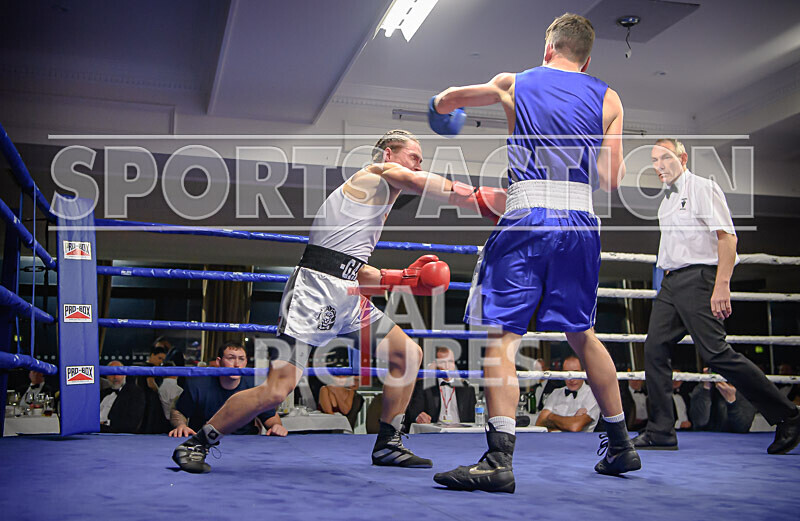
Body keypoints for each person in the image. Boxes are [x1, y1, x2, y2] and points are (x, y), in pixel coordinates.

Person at [172, 129, 502, 473]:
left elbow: (354, 269)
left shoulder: (371, 205)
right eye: (414, 157)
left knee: (409, 354)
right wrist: (477, 198)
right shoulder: (375, 173)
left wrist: (404, 278)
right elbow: (415, 182)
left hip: (348, 293)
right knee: (276, 390)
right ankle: (198, 442)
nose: (419, 165)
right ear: (389, 154)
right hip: (314, 291)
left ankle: (389, 443)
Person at [428, 13, 639, 493]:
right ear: (587, 59)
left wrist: (439, 109)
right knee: (582, 333)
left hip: (527, 219)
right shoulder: (609, 97)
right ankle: (621, 443)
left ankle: (498, 459)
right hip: (581, 226)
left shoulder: (514, 82)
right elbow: (611, 180)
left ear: (549, 48)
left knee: (502, 338)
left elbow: (448, 100)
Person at [633, 138, 800, 454]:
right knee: (654, 348)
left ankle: (788, 415)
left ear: (682, 158)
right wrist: (663, 287)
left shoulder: (702, 189)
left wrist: (722, 284)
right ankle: (661, 430)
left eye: (664, 158)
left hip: (700, 278)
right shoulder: (666, 201)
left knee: (715, 353)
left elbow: (727, 238)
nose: (657, 166)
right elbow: (671, 252)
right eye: (653, 161)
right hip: (671, 283)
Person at [169, 342, 286, 439]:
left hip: (245, 442)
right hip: (205, 440)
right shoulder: (199, 385)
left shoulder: (255, 386)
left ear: (245, 363)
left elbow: (270, 416)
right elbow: (179, 411)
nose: (236, 365)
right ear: (219, 362)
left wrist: (276, 426)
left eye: (241, 359)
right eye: (231, 358)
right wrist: (181, 426)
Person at [403, 346, 477, 431]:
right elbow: (413, 412)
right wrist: (418, 417)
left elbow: (473, 419)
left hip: (462, 433)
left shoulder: (467, 388)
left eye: (450, 361)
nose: (447, 366)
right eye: (442, 362)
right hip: (434, 433)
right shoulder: (424, 386)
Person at [535, 356, 600, 432]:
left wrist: (551, 417)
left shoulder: (593, 394)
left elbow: (574, 427)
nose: (571, 379)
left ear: (584, 372)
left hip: (580, 443)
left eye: (576, 373)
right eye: (567, 373)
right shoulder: (556, 393)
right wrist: (572, 419)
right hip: (553, 441)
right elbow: (539, 423)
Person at [689, 369, 755, 433]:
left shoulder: (746, 391)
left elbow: (742, 428)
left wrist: (731, 400)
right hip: (706, 439)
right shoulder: (702, 388)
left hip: (734, 440)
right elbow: (699, 422)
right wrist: (706, 388)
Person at [100, 361, 146, 433]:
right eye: (111, 373)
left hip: (117, 437)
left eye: (119, 373)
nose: (115, 377)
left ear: (125, 375)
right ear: (106, 376)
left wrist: (104, 425)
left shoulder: (134, 393)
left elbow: (131, 424)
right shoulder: (102, 393)